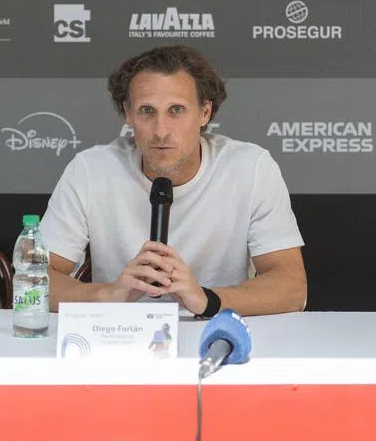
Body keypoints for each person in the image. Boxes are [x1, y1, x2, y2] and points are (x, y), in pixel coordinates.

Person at [39, 45, 306, 317]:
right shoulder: (90, 170)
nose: (161, 131)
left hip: (214, 334)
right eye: (146, 111)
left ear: (204, 113)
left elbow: (292, 286)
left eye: (176, 110)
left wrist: (207, 300)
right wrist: (109, 294)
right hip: (119, 338)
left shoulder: (251, 168)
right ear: (128, 115)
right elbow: (35, 280)